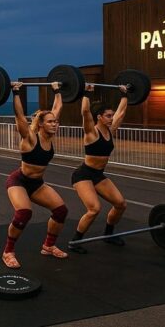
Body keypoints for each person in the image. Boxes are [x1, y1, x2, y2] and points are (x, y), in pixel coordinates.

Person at [1, 82, 67, 268]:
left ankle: (48, 246)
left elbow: (58, 106)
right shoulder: (30, 138)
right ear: (41, 124)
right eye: (51, 121)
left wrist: (57, 89)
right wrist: (15, 91)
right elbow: (19, 116)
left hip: (37, 184)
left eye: (56, 121)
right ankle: (8, 252)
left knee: (61, 211)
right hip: (19, 181)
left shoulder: (49, 136)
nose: (55, 124)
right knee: (24, 213)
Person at [69, 84, 129, 253]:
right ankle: (75, 241)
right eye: (108, 116)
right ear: (99, 117)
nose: (111, 118)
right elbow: (85, 113)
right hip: (83, 175)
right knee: (94, 209)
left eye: (111, 115)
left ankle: (108, 234)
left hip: (98, 175)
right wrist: (87, 93)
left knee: (121, 204)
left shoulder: (111, 130)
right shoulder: (91, 133)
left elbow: (122, 112)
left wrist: (125, 94)